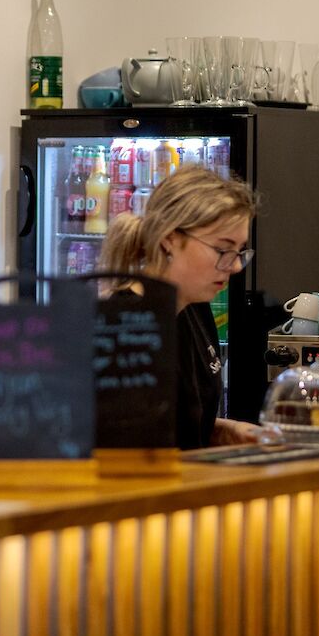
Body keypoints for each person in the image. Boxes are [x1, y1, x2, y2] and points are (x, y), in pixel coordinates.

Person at [97, 166, 259, 448]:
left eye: (240, 251)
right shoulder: (122, 331)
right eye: (222, 250)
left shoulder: (194, 307)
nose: (234, 266)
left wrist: (224, 430)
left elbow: (174, 423)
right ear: (169, 239)